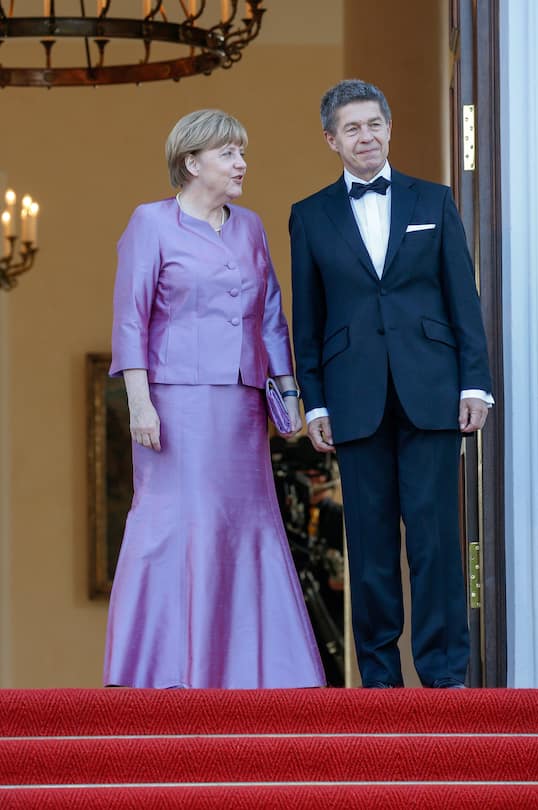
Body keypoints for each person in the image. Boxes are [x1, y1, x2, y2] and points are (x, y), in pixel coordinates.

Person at [103, 109, 325, 690]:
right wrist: (139, 401)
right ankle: (167, 670)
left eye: (242, 152)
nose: (241, 163)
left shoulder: (250, 226)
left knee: (247, 524)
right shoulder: (151, 223)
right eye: (228, 153)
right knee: (183, 523)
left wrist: (287, 392)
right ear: (191, 161)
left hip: (241, 408)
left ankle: (253, 672)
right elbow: (131, 317)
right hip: (175, 403)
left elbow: (272, 314)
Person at [290, 80, 493, 689]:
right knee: (371, 548)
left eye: (374, 124)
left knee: (435, 543)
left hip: (432, 392)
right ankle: (378, 685)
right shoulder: (309, 214)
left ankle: (445, 678)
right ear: (331, 139)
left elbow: (464, 297)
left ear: (389, 128)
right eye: (351, 128)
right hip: (353, 400)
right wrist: (315, 398)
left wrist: (475, 384)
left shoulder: (434, 200)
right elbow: (309, 319)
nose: (366, 136)